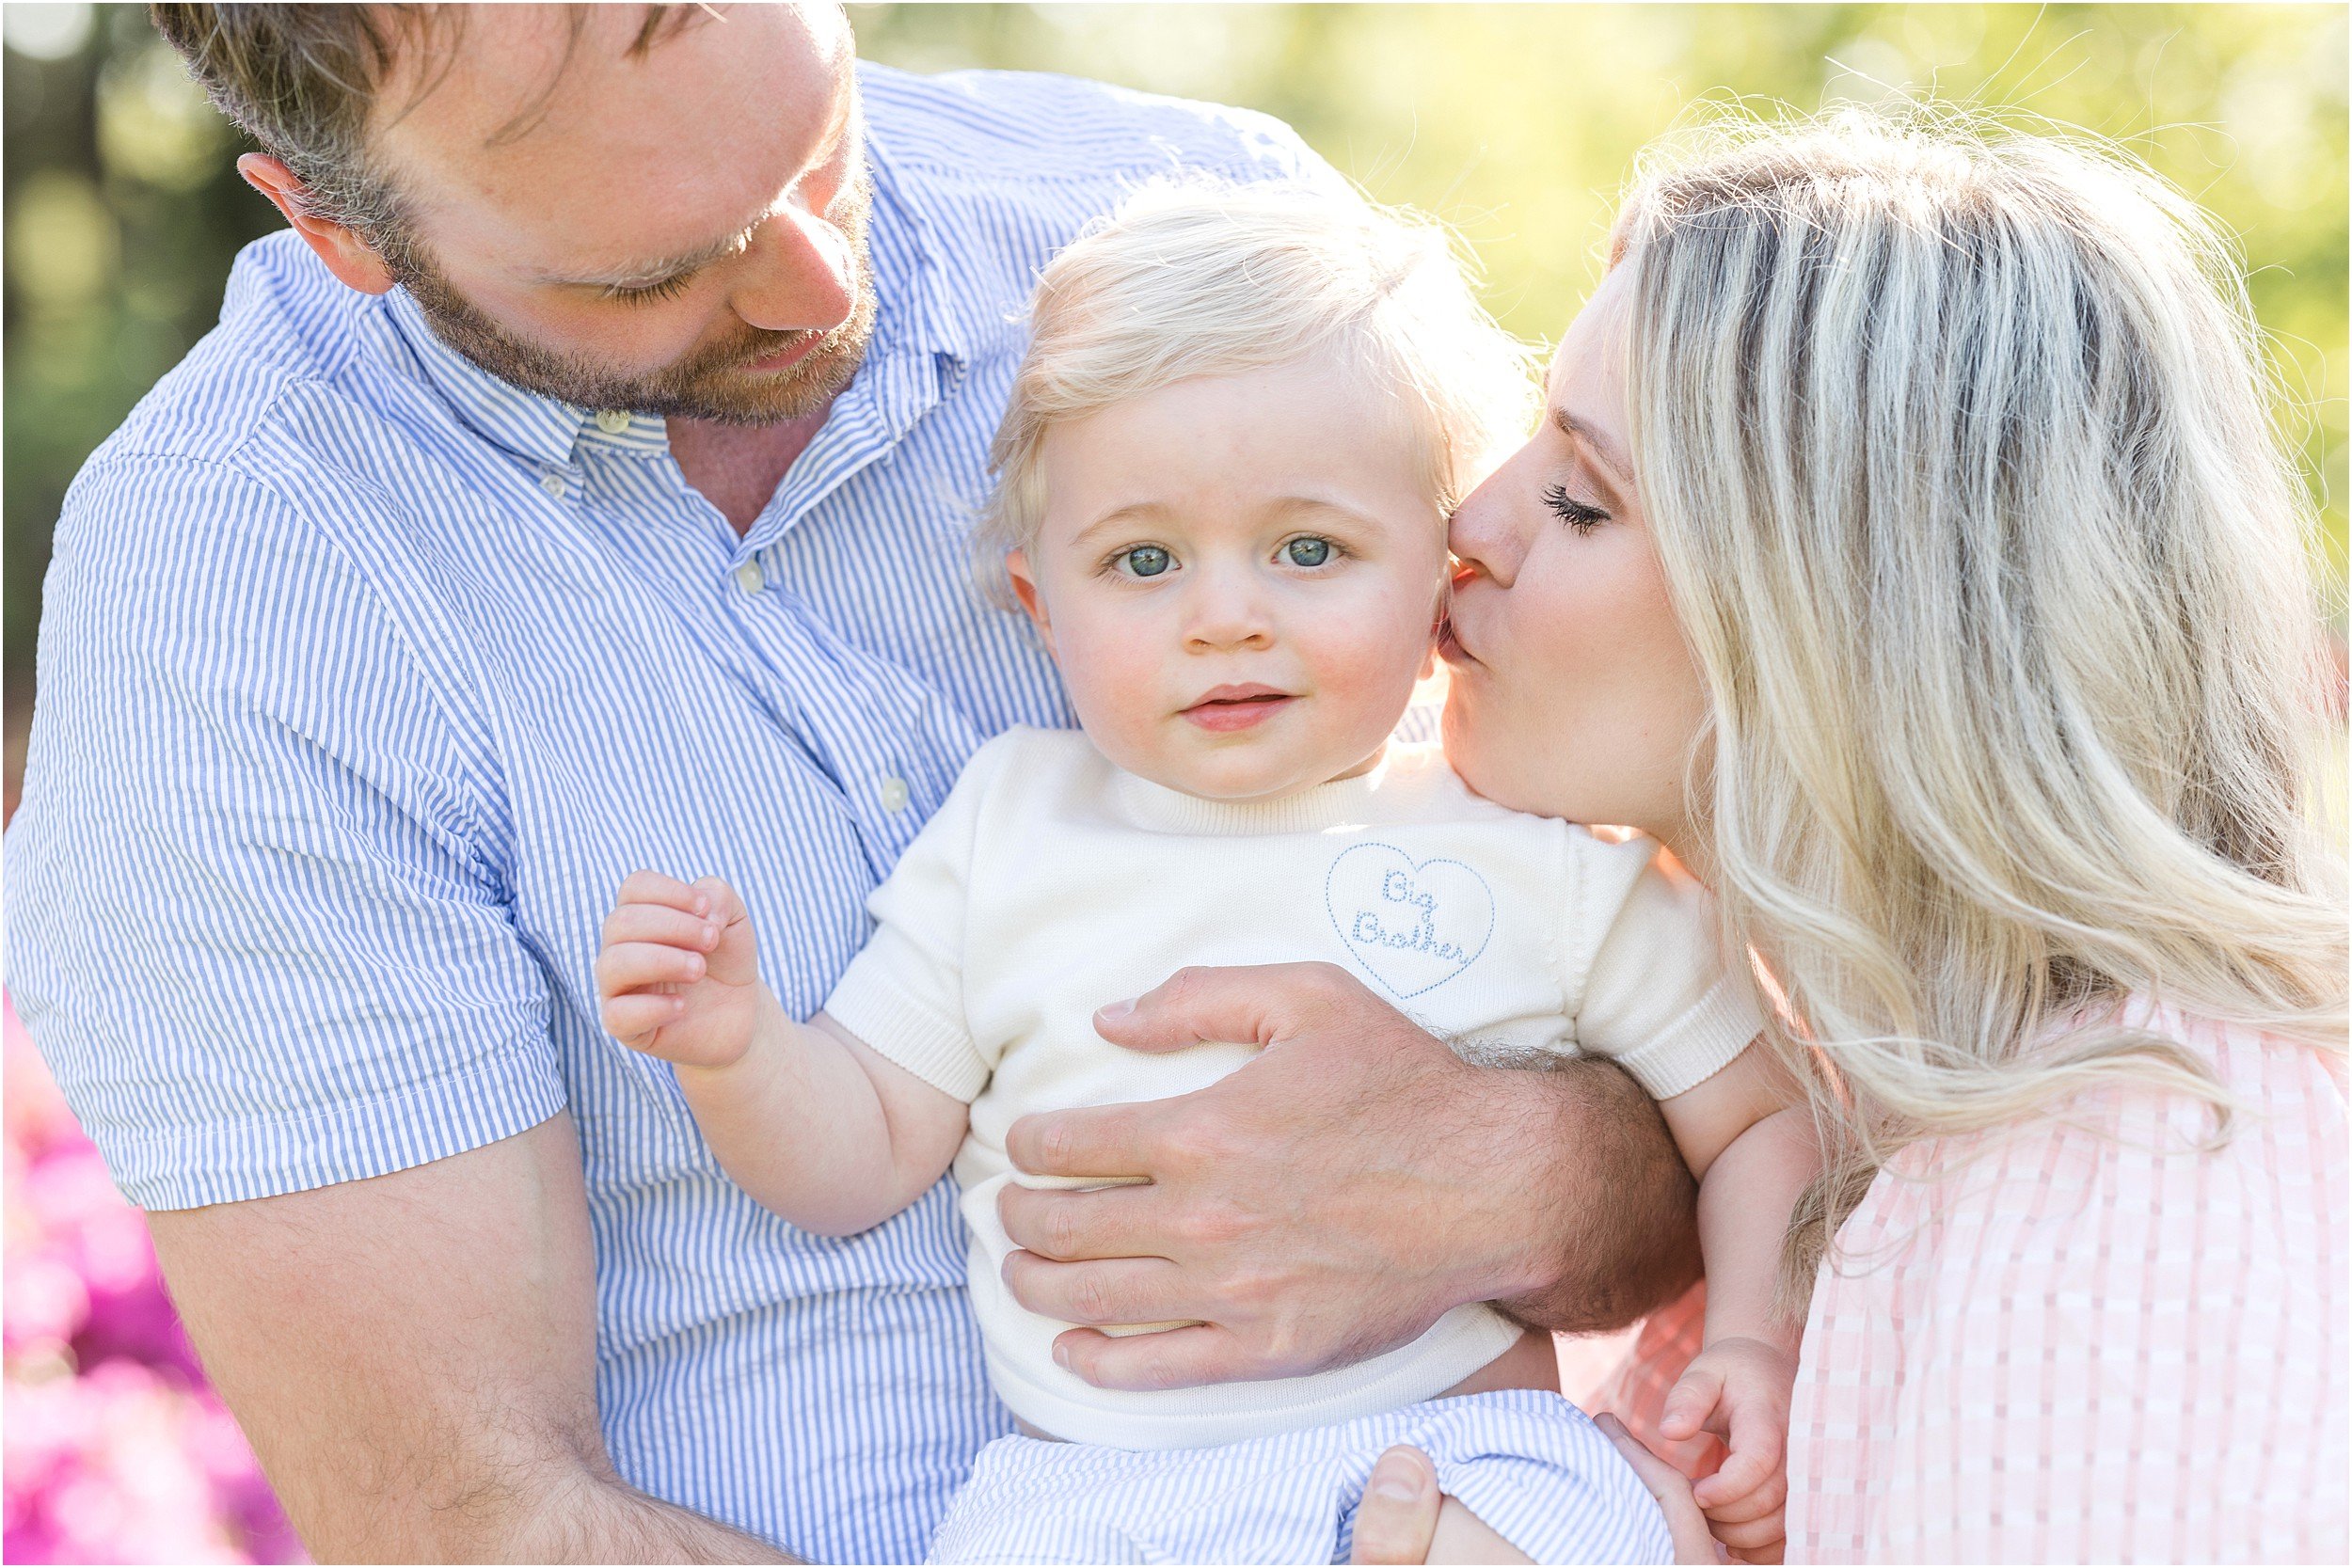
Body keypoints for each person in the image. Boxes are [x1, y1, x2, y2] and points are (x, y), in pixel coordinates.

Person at [5, 6, 1708, 1559]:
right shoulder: (228, 613)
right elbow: (474, 1516)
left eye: (823, 150)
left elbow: (1648, 923)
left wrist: (1523, 1170)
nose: (825, 286)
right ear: (334, 226)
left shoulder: (1204, 242)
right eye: (658, 270)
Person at [1128, 108, 2351, 1562]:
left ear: (1848, 632)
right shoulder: (1835, 1109)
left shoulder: (2135, 1172)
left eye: (1580, 499)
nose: (1473, 521)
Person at [596, 180, 1817, 1563]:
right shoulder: (1010, 829)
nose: (1226, 617)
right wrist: (735, 1045)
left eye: (1310, 550)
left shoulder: (1531, 852)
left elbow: (1763, 1122)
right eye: (1144, 560)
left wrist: (1754, 1347)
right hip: (1090, 1497)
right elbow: (860, 1150)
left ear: (1441, 573)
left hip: (1462, 1454)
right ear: (1041, 610)